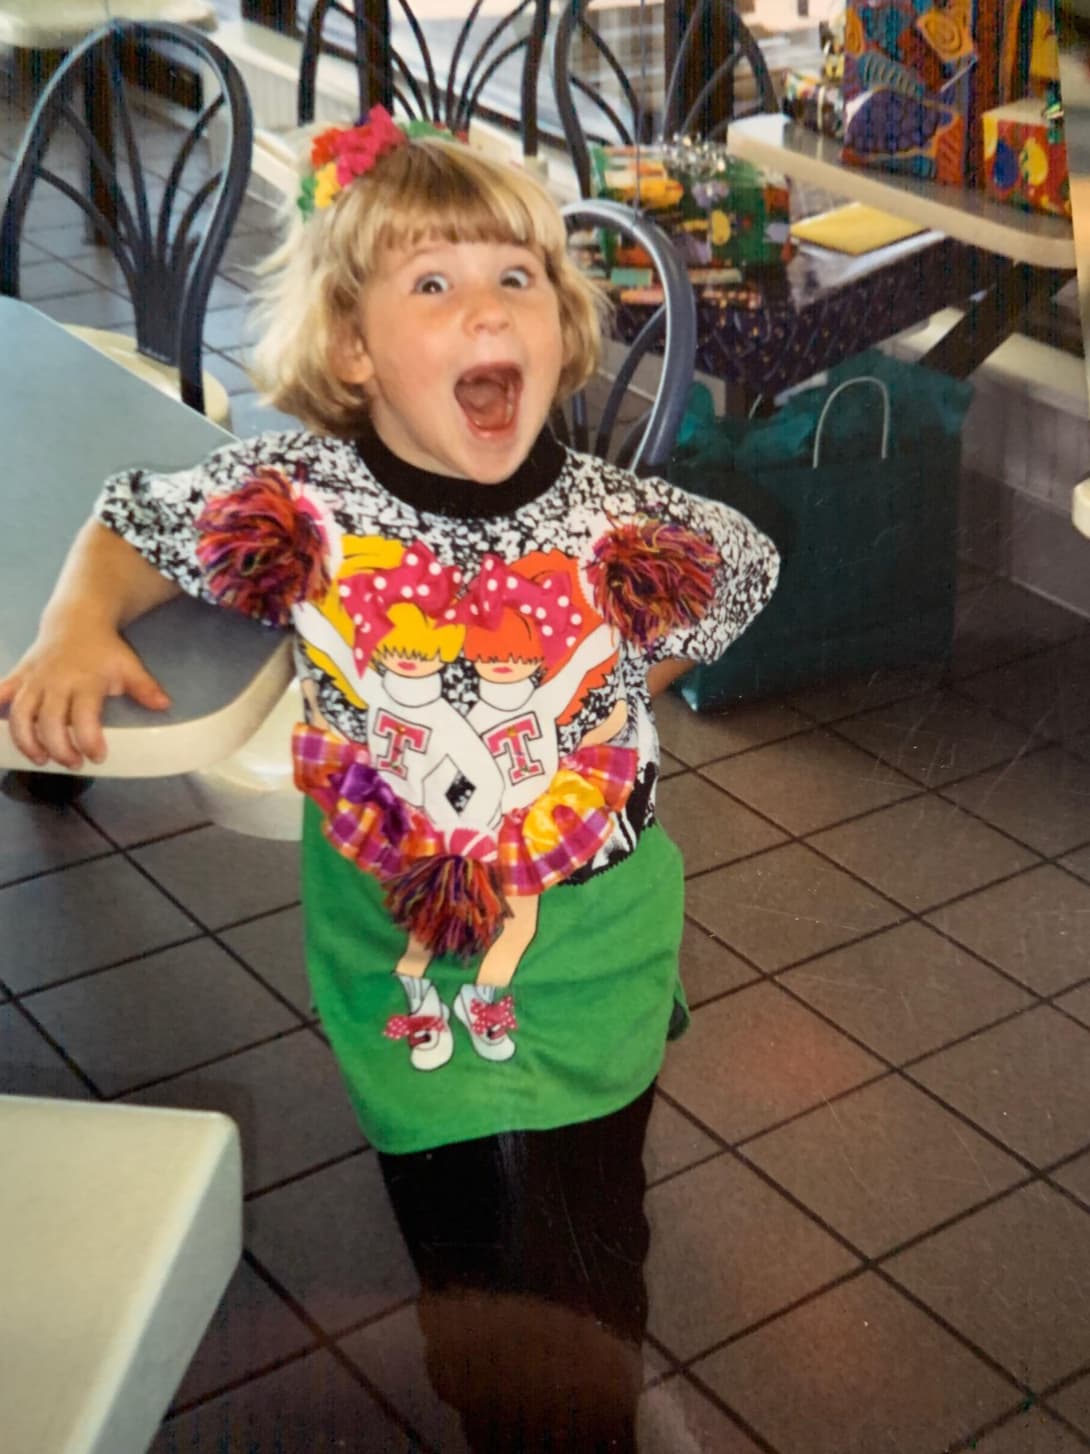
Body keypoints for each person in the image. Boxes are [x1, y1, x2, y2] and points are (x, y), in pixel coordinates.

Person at [0, 107, 779, 1452]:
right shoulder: (299, 505)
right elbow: (134, 520)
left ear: (559, 327)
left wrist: (604, 707)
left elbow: (741, 572)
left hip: (588, 943)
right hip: (393, 948)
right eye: (434, 282)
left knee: (590, 1232)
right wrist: (76, 621)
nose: (486, 305)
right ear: (355, 347)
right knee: (453, 1223)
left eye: (515, 277)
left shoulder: (614, 524)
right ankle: (482, 1374)